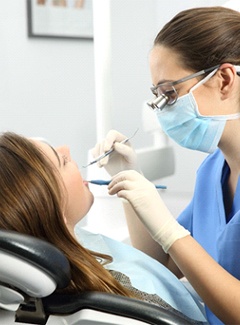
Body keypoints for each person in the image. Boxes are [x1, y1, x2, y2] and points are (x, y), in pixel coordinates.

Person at [91, 6, 240, 325]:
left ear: (225, 79)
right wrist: (129, 177)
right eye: (157, 97)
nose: (163, 110)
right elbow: (161, 260)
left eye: (170, 94)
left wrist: (171, 231)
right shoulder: (213, 171)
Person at [0, 131, 206, 323]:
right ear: (53, 210)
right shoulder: (124, 299)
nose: (66, 148)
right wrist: (168, 231)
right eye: (62, 161)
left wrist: (129, 176)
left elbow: (150, 268)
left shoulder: (66, 245)